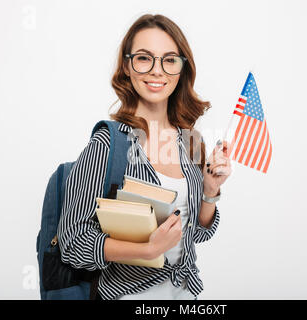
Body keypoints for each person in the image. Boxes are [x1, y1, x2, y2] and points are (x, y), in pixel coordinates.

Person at [57, 13, 232, 300]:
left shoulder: (189, 143)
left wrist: (210, 192)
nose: (157, 71)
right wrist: (147, 250)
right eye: (143, 58)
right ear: (127, 66)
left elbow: (196, 236)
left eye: (169, 59)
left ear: (181, 69)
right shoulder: (108, 143)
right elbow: (73, 243)